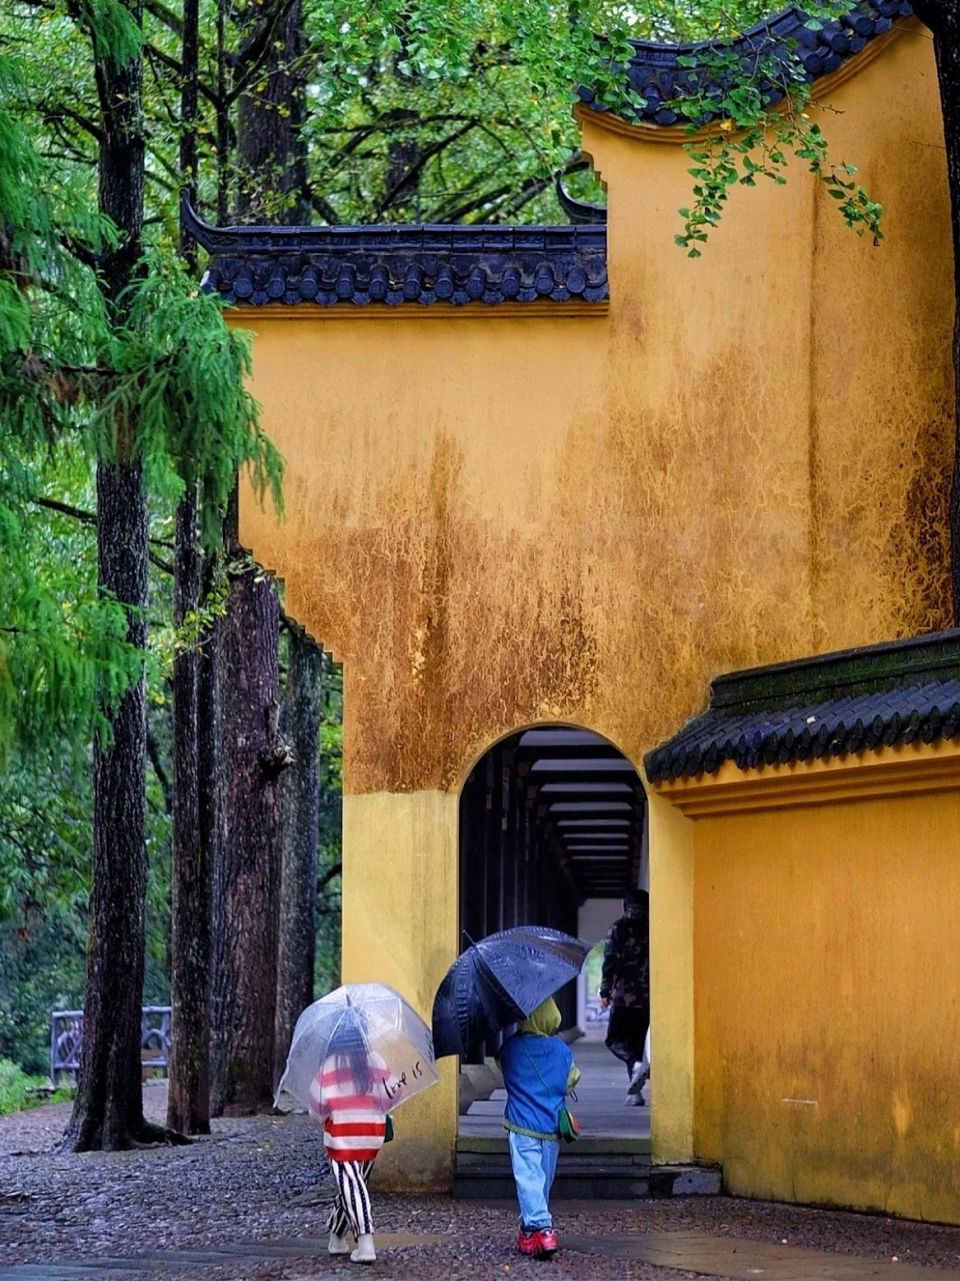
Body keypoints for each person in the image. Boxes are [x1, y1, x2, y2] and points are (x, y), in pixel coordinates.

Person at [499, 997, 581, 1260]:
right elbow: (572, 1080)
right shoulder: (562, 1051)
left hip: (522, 1124)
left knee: (529, 1179)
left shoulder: (509, 1049)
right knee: (542, 1181)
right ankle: (528, 1231)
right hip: (551, 1126)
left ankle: (542, 1230)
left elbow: (504, 1068)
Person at [308, 1021, 390, 1265]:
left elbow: (316, 1107)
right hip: (371, 1135)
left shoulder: (329, 1066)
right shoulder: (375, 1060)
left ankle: (366, 1244)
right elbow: (391, 1092)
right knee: (353, 1186)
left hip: (342, 1138)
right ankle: (336, 1237)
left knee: (353, 1187)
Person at [599, 887, 650, 1105]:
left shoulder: (619, 928)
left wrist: (605, 990)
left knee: (615, 1039)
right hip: (649, 998)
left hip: (624, 996)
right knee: (638, 1042)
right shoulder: (653, 926)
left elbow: (610, 959)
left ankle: (636, 1066)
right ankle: (634, 1093)